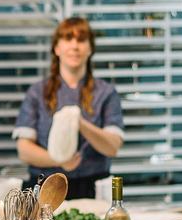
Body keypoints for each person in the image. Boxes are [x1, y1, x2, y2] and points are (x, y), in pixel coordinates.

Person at [13, 17, 125, 199]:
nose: (74, 46)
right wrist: (59, 159)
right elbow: (24, 150)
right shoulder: (37, 92)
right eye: (68, 39)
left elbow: (112, 147)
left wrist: (78, 122)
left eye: (81, 40)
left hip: (92, 188)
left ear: (90, 48)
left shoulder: (106, 93)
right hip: (45, 188)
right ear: (56, 48)